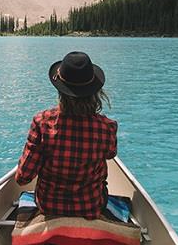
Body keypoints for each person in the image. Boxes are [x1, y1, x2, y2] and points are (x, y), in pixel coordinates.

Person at [15, 51, 118, 220]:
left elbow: (23, 178)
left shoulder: (42, 122)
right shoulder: (107, 127)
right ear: (94, 92)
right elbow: (110, 154)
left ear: (60, 90)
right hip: (91, 206)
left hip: (48, 206)